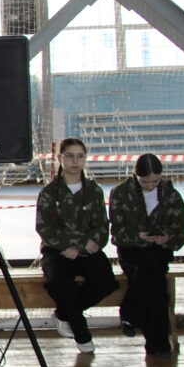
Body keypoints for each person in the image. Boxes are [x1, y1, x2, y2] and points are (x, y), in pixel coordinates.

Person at [36, 137, 118, 354]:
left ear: (85, 158)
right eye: (70, 156)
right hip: (57, 250)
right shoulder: (49, 192)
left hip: (87, 249)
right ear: (60, 158)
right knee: (62, 283)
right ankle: (82, 335)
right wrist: (75, 243)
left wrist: (81, 247)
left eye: (80, 156)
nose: (75, 161)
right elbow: (45, 228)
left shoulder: (93, 191)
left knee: (106, 282)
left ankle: (63, 314)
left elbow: (102, 225)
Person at [108, 154, 184, 358]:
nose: (151, 186)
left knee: (150, 269)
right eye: (145, 182)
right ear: (136, 176)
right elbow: (116, 234)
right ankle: (158, 344)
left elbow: (181, 234)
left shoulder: (171, 195)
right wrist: (138, 236)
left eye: (155, 181)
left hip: (159, 250)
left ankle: (130, 314)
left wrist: (167, 238)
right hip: (131, 251)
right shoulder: (120, 193)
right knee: (155, 280)